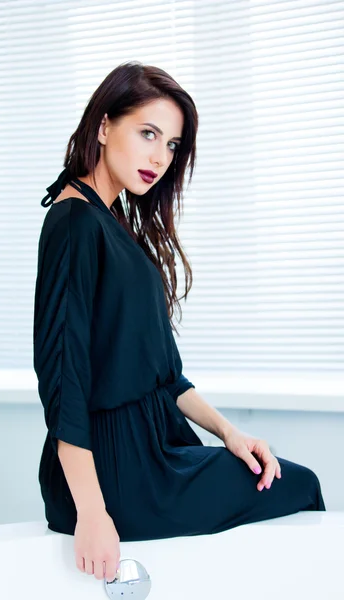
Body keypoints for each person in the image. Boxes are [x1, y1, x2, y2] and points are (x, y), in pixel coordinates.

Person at [33, 61, 326, 583]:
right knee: (301, 488)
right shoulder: (75, 221)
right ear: (103, 126)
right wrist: (93, 513)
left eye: (171, 145)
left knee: (284, 480)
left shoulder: (110, 221)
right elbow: (64, 381)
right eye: (148, 133)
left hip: (150, 450)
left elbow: (164, 377)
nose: (160, 157)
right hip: (116, 472)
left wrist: (231, 434)